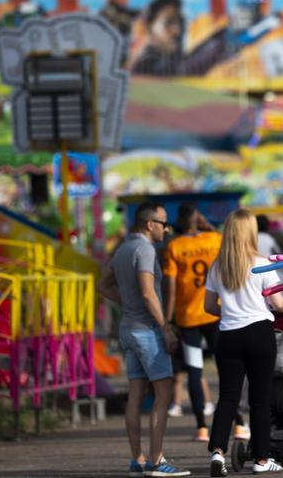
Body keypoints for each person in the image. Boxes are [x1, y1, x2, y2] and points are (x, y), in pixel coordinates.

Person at [99, 202, 189, 477]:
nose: (167, 228)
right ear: (149, 225)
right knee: (163, 393)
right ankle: (157, 460)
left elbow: (103, 284)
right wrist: (166, 328)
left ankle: (137, 459)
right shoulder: (146, 249)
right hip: (147, 331)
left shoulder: (123, 249)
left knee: (136, 395)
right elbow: (149, 293)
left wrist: (128, 303)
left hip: (128, 328)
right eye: (163, 223)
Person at [204, 209, 283, 476]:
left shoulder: (218, 265)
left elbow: (209, 306)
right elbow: (278, 304)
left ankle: (218, 453)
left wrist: (233, 312)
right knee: (260, 399)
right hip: (259, 333)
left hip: (229, 335)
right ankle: (261, 458)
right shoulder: (262, 263)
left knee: (228, 398)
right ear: (251, 232)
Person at [163, 202, 247, 442]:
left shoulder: (175, 246)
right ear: (198, 219)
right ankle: (239, 423)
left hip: (188, 318)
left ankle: (201, 427)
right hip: (215, 314)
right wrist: (207, 225)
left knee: (194, 370)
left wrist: (168, 320)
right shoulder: (214, 239)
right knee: (226, 369)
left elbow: (170, 287)